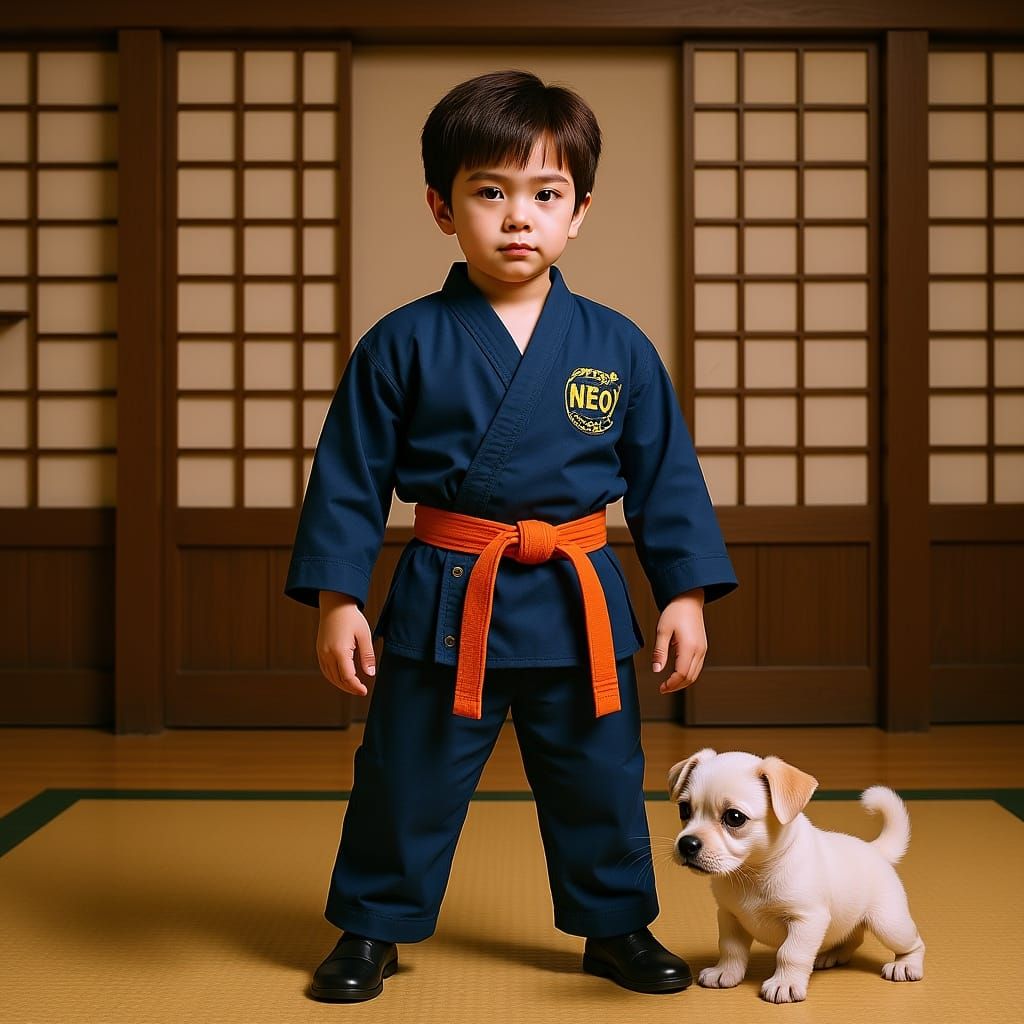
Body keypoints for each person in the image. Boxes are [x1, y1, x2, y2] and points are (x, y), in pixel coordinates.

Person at [284, 68, 739, 1003]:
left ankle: (616, 926)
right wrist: (339, 601)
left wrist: (684, 595)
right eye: (489, 191)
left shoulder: (615, 347)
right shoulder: (401, 343)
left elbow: (667, 480)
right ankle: (371, 927)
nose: (518, 216)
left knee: (599, 778)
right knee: (404, 774)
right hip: (448, 593)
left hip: (578, 599)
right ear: (442, 207)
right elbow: (349, 478)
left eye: (545, 194)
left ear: (579, 211)